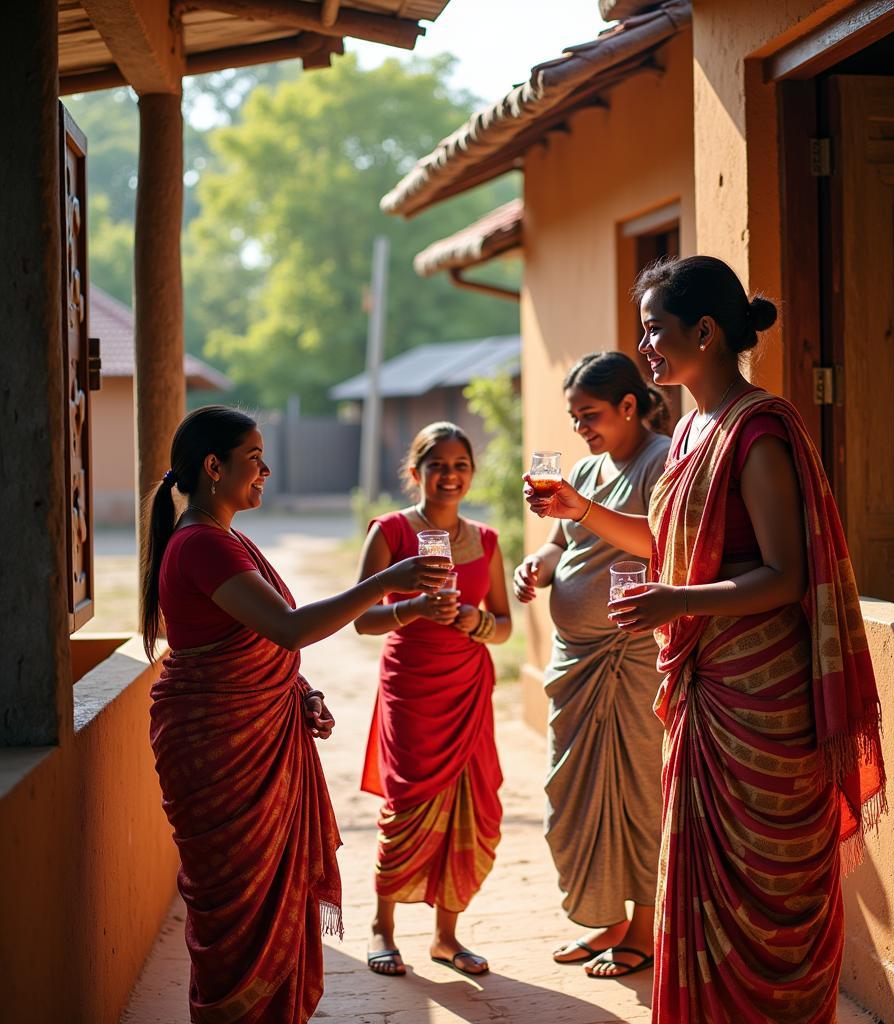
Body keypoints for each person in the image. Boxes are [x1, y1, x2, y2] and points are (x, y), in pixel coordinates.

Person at [525, 256, 886, 1023]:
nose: (646, 345)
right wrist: (576, 509)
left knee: (769, 897)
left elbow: (786, 575)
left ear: (707, 331)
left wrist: (674, 601)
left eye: (656, 329)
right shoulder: (691, 427)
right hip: (710, 694)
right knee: (700, 891)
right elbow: (663, 537)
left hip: (763, 705)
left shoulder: (756, 432)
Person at [143, 406, 449, 1024]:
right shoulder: (201, 544)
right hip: (219, 750)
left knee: (264, 906)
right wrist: (388, 579)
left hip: (251, 734)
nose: (266, 470)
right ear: (213, 466)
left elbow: (252, 640)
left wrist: (297, 690)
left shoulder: (225, 537)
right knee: (235, 913)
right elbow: (288, 628)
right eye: (253, 458)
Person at [513, 352, 670, 979]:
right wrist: (539, 565)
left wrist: (578, 511)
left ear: (629, 406)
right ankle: (607, 921)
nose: (581, 428)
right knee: (572, 793)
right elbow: (561, 542)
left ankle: (646, 928)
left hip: (630, 657)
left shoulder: (662, 461)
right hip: (575, 661)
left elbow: (662, 539)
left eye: (592, 415)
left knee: (638, 789)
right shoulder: (584, 468)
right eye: (575, 417)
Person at [354, 422, 512, 979]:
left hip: (468, 689)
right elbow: (360, 618)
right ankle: (383, 927)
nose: (450, 475)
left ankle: (447, 937)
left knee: (478, 810)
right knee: (407, 806)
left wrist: (476, 621)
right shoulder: (392, 531)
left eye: (460, 465)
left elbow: (505, 625)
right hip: (413, 687)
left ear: (471, 472)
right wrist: (413, 609)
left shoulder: (486, 540)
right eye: (438, 465)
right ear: (415, 471)